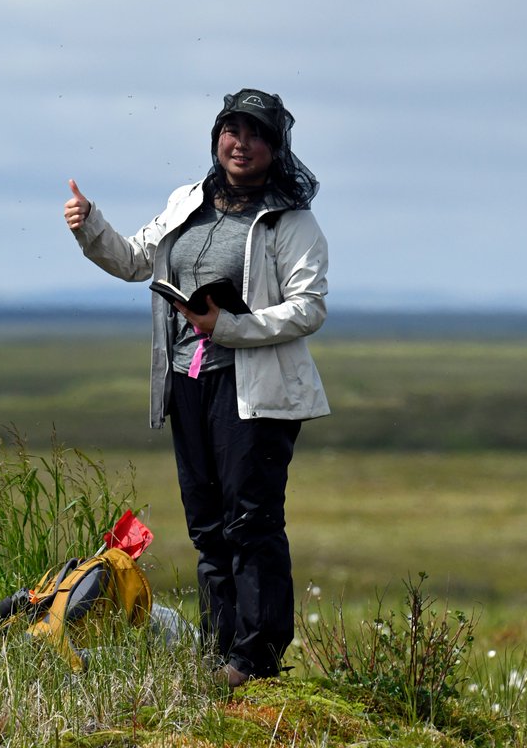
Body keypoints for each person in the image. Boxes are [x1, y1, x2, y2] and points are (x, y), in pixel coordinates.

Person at [62, 88, 329, 688]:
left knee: (251, 520)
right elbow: (136, 261)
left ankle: (256, 657)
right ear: (216, 138)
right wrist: (90, 227)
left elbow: (309, 308)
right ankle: (220, 654)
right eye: (232, 130)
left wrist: (229, 326)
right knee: (208, 525)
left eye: (256, 134)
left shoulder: (292, 220)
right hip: (188, 381)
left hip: (253, 389)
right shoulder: (188, 201)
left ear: (276, 148)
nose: (241, 143)